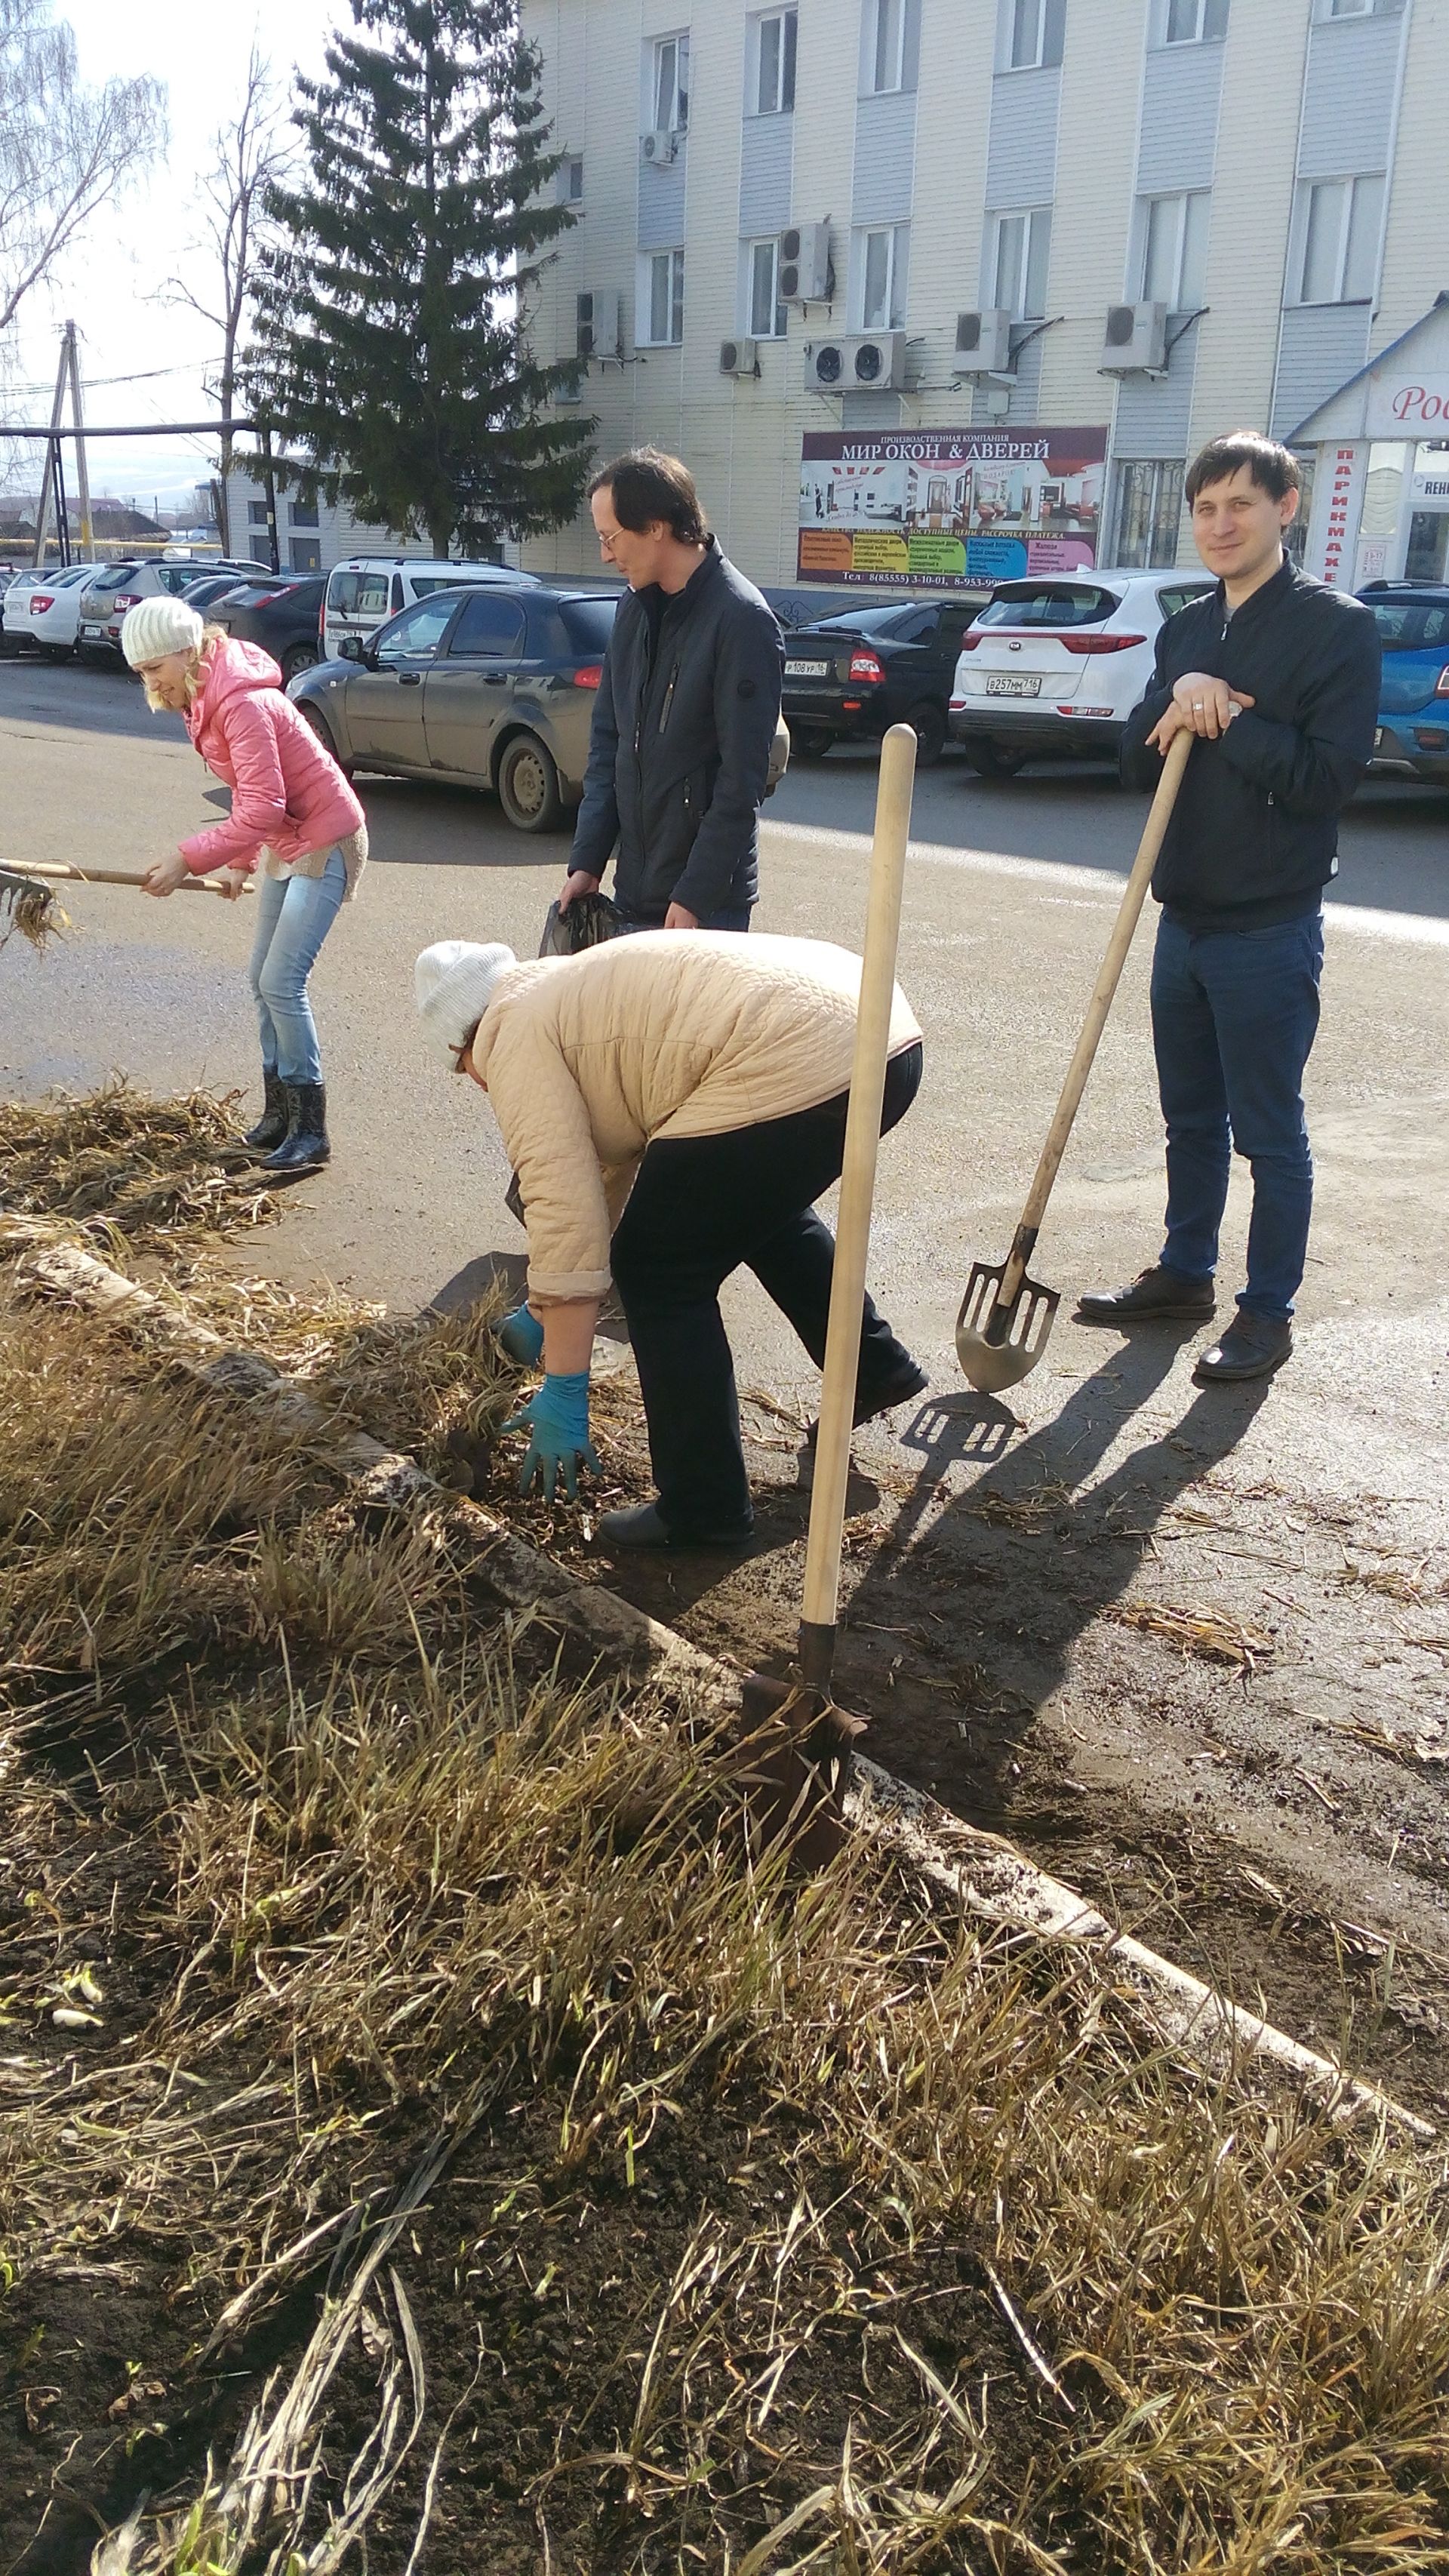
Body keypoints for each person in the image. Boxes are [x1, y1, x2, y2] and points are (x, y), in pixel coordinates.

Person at [414, 930, 928, 1546]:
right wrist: (544, 1309)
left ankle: (703, 1506)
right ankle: (873, 1368)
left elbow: (560, 1202)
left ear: (461, 1040)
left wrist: (565, 1385)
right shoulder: (562, 990)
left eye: (460, 1068)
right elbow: (601, 1178)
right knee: (749, 1207)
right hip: (878, 1031)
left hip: (809, 1048)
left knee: (659, 1267)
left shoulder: (510, 1034)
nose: (475, 1083)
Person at [1079, 429, 1380, 1384]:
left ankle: (1266, 1312)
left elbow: (1325, 780)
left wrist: (1229, 712)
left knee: (1269, 1130)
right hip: (1186, 918)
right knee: (1190, 1121)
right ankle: (1184, 1274)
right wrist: (1182, 692)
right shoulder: (1186, 626)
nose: (1220, 523)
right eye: (1205, 507)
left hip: (1268, 926)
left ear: (1286, 506)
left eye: (1240, 504)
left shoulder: (1336, 626)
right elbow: (1136, 756)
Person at [123, 597, 367, 1172]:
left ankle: (312, 1131)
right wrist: (241, 860)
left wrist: (191, 857)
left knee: (283, 980)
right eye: (141, 673)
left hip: (327, 837)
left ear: (188, 651)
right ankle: (280, 1113)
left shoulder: (241, 702)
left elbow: (263, 802)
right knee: (260, 980)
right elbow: (253, 789)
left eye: (154, 667)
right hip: (288, 840)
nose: (150, 682)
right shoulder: (203, 699)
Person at [557, 448, 783, 935]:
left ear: (656, 526)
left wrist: (694, 896)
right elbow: (608, 745)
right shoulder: (633, 608)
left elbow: (741, 782)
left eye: (610, 537)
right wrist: (588, 859)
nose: (605, 554)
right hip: (633, 893)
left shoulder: (743, 621)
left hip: (705, 909)